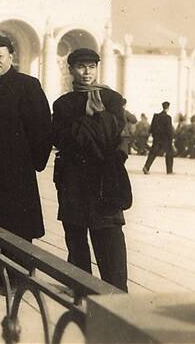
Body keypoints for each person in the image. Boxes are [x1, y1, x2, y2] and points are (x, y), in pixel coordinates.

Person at [52, 48, 129, 292]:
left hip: (104, 178)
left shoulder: (112, 99)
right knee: (75, 234)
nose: (87, 72)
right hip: (73, 178)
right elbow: (60, 138)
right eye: (81, 66)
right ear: (71, 70)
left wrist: (90, 125)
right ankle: (80, 286)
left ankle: (115, 290)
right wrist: (89, 121)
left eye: (92, 66)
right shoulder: (63, 104)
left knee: (109, 235)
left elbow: (117, 136)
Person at [0, 35, 52, 244]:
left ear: (11, 56)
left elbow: (42, 127)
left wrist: (33, 162)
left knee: (19, 229)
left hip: (18, 172)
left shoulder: (28, 85)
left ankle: (18, 265)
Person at [142, 102, 174, 175]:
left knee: (153, 153)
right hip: (165, 139)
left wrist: (153, 135)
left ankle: (146, 167)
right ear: (168, 108)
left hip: (157, 138)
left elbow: (152, 127)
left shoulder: (156, 116)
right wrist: (171, 138)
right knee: (169, 153)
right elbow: (169, 130)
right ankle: (169, 170)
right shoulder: (168, 118)